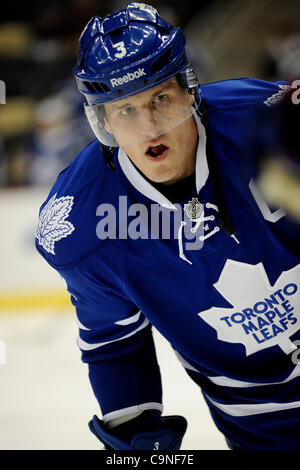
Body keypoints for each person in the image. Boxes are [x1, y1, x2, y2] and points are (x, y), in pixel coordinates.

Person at [35, 3, 300, 450]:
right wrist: (138, 439)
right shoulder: (83, 224)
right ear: (101, 122)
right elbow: (114, 344)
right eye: (126, 111)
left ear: (190, 91)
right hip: (263, 426)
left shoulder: (272, 122)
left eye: (160, 98)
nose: (150, 127)